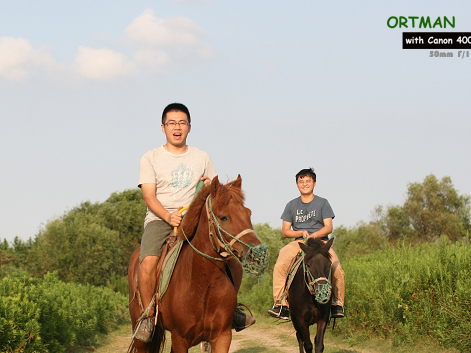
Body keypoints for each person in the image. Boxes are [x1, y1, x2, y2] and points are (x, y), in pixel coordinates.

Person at [135, 103, 254, 342]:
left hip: (197, 218)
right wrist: (168, 216)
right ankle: (148, 315)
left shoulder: (202, 157)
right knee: (147, 262)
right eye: (172, 123)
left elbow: (214, 191)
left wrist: (211, 185)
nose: (177, 127)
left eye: (182, 123)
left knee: (231, 259)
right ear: (163, 127)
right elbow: (148, 196)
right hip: (162, 218)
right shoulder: (150, 158)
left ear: (189, 127)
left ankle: (233, 310)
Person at [268, 168, 345, 320]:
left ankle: (337, 303)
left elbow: (329, 227)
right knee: (281, 263)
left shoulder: (323, 203)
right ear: (297, 185)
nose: (305, 184)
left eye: (308, 181)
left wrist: (314, 235)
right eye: (301, 181)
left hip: (320, 242)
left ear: (314, 183)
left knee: (336, 267)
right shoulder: (291, 205)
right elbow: (285, 231)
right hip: (299, 242)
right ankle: (280, 304)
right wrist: (301, 233)